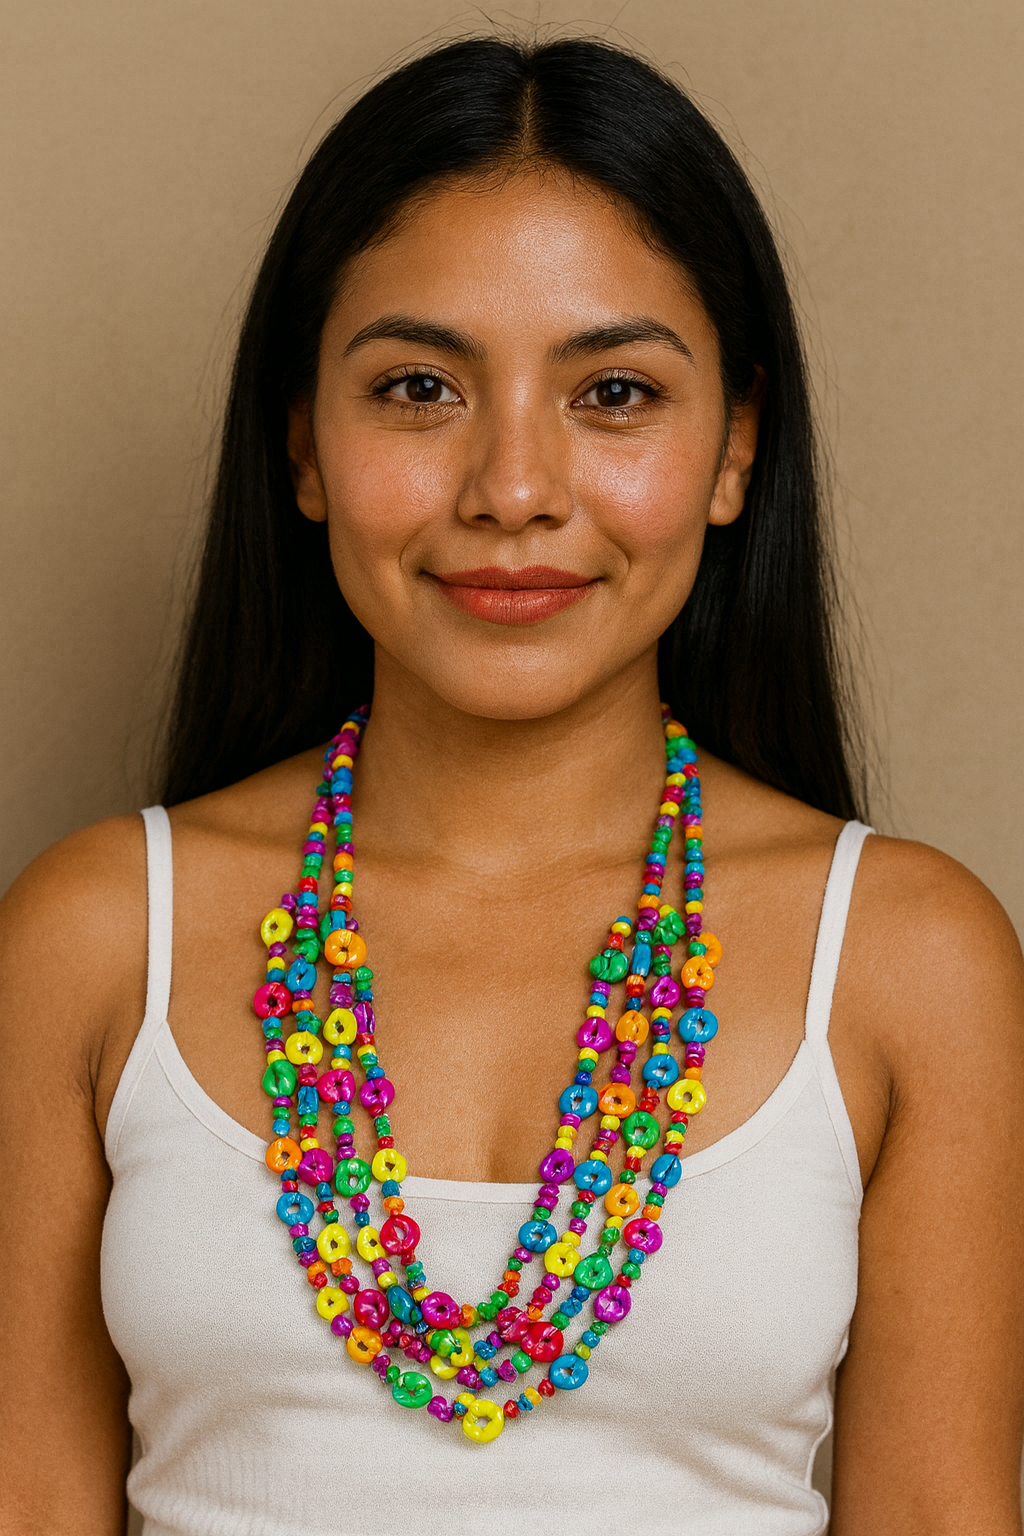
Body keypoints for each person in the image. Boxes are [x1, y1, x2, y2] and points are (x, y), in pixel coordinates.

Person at [1, 33, 1022, 1536]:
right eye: (419, 387)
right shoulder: (96, 934)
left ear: (735, 449)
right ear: (303, 445)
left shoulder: (908, 958)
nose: (514, 490)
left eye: (614, 392)